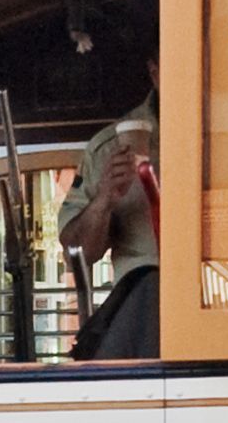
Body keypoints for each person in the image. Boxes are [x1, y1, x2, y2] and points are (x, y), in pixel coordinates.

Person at [59, 99, 161, 361]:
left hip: (216, 302)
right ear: (153, 70)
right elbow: (76, 254)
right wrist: (105, 198)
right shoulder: (106, 149)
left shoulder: (226, 130)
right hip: (139, 313)